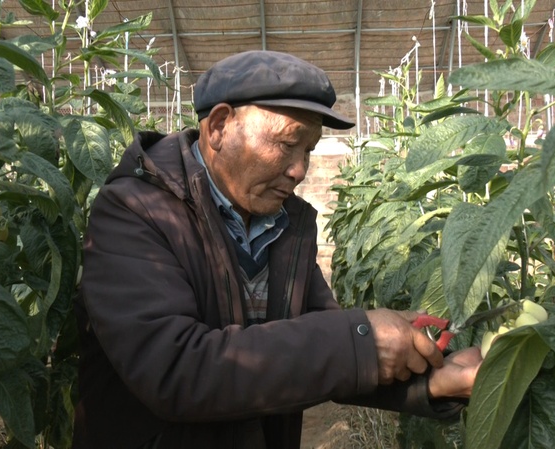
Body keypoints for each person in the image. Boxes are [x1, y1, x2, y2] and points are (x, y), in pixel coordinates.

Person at [73, 50, 482, 449]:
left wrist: (431, 382)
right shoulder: (133, 211)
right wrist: (361, 341)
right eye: (287, 144)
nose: (299, 170)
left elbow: (326, 356)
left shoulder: (287, 224)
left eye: (308, 150)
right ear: (219, 127)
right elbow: (175, 369)